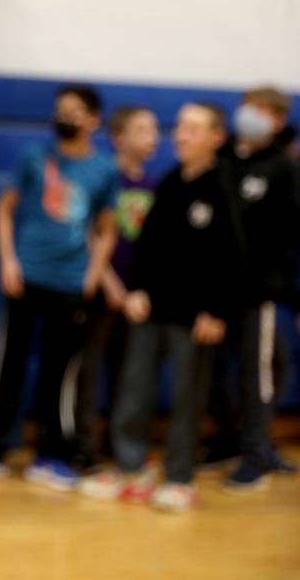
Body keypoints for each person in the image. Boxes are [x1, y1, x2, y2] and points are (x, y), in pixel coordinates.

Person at [0, 85, 119, 490]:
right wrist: (8, 260)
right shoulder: (34, 158)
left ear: (93, 120)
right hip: (26, 278)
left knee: (58, 373)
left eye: (74, 111)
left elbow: (106, 229)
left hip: (70, 284)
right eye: (59, 110)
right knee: (10, 367)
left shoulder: (103, 170)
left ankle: (52, 455)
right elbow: (4, 208)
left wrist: (94, 273)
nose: (64, 117)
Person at [110, 103, 244, 513]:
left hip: (196, 318)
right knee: (134, 390)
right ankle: (132, 468)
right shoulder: (169, 182)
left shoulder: (225, 187)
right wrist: (136, 290)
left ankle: (181, 478)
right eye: (180, 127)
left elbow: (235, 256)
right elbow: (147, 247)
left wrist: (217, 311)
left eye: (192, 128)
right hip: (153, 310)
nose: (180, 135)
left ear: (215, 137)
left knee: (188, 398)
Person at [213, 86, 299, 488]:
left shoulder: (284, 167)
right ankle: (233, 441)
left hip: (260, 290)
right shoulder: (225, 158)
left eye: (261, 110)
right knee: (229, 370)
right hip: (220, 287)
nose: (250, 115)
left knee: (262, 371)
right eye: (248, 108)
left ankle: (256, 452)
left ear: (277, 120)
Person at [74, 106, 160, 487]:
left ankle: (119, 445)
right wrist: (110, 285)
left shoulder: (154, 185)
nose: (152, 137)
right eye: (142, 130)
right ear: (119, 137)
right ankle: (84, 448)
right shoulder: (105, 178)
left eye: (155, 130)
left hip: (135, 298)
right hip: (103, 294)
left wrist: (138, 291)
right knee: (90, 374)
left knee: (128, 375)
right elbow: (93, 232)